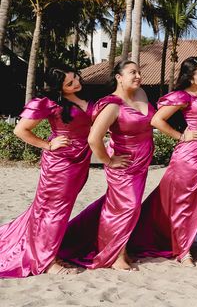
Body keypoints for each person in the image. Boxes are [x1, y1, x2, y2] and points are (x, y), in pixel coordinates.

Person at [128, 57, 197, 267]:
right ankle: (184, 251)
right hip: (189, 157)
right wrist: (182, 136)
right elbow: (156, 120)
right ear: (190, 77)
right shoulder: (183, 96)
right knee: (184, 204)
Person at [59, 60, 155, 271]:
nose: (138, 76)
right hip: (123, 164)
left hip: (141, 163)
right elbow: (94, 138)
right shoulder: (112, 104)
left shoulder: (141, 95)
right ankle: (114, 255)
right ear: (119, 77)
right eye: (132, 72)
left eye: (139, 71)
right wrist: (109, 161)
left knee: (130, 207)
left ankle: (123, 249)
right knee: (125, 207)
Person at [0, 68, 92, 277]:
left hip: (81, 160)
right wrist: (47, 145)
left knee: (56, 209)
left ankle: (49, 250)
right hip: (61, 163)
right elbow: (20, 130)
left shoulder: (83, 98)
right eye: (69, 83)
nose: (76, 83)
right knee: (53, 210)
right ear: (58, 87)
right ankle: (47, 261)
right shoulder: (48, 103)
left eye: (76, 78)